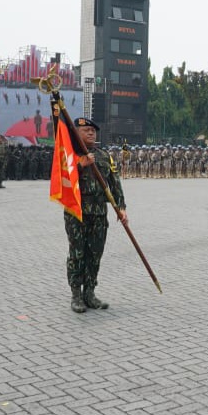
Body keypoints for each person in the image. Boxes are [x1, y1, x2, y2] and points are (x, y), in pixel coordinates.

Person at [65, 117, 127, 313]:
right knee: (78, 254)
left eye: (93, 130)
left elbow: (114, 182)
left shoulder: (103, 155)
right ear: (76, 132)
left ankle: (89, 293)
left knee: (95, 254)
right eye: (86, 130)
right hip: (77, 213)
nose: (91, 133)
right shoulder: (69, 155)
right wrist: (80, 165)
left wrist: (121, 207)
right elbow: (61, 179)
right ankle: (76, 295)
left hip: (99, 213)